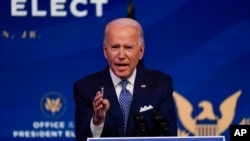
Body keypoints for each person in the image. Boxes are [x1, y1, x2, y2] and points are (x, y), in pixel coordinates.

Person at [73, 18, 177, 141]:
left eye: (128, 48)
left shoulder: (160, 84)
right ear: (105, 51)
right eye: (115, 47)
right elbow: (82, 139)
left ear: (141, 52)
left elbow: (169, 136)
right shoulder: (86, 88)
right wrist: (97, 122)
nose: (121, 56)